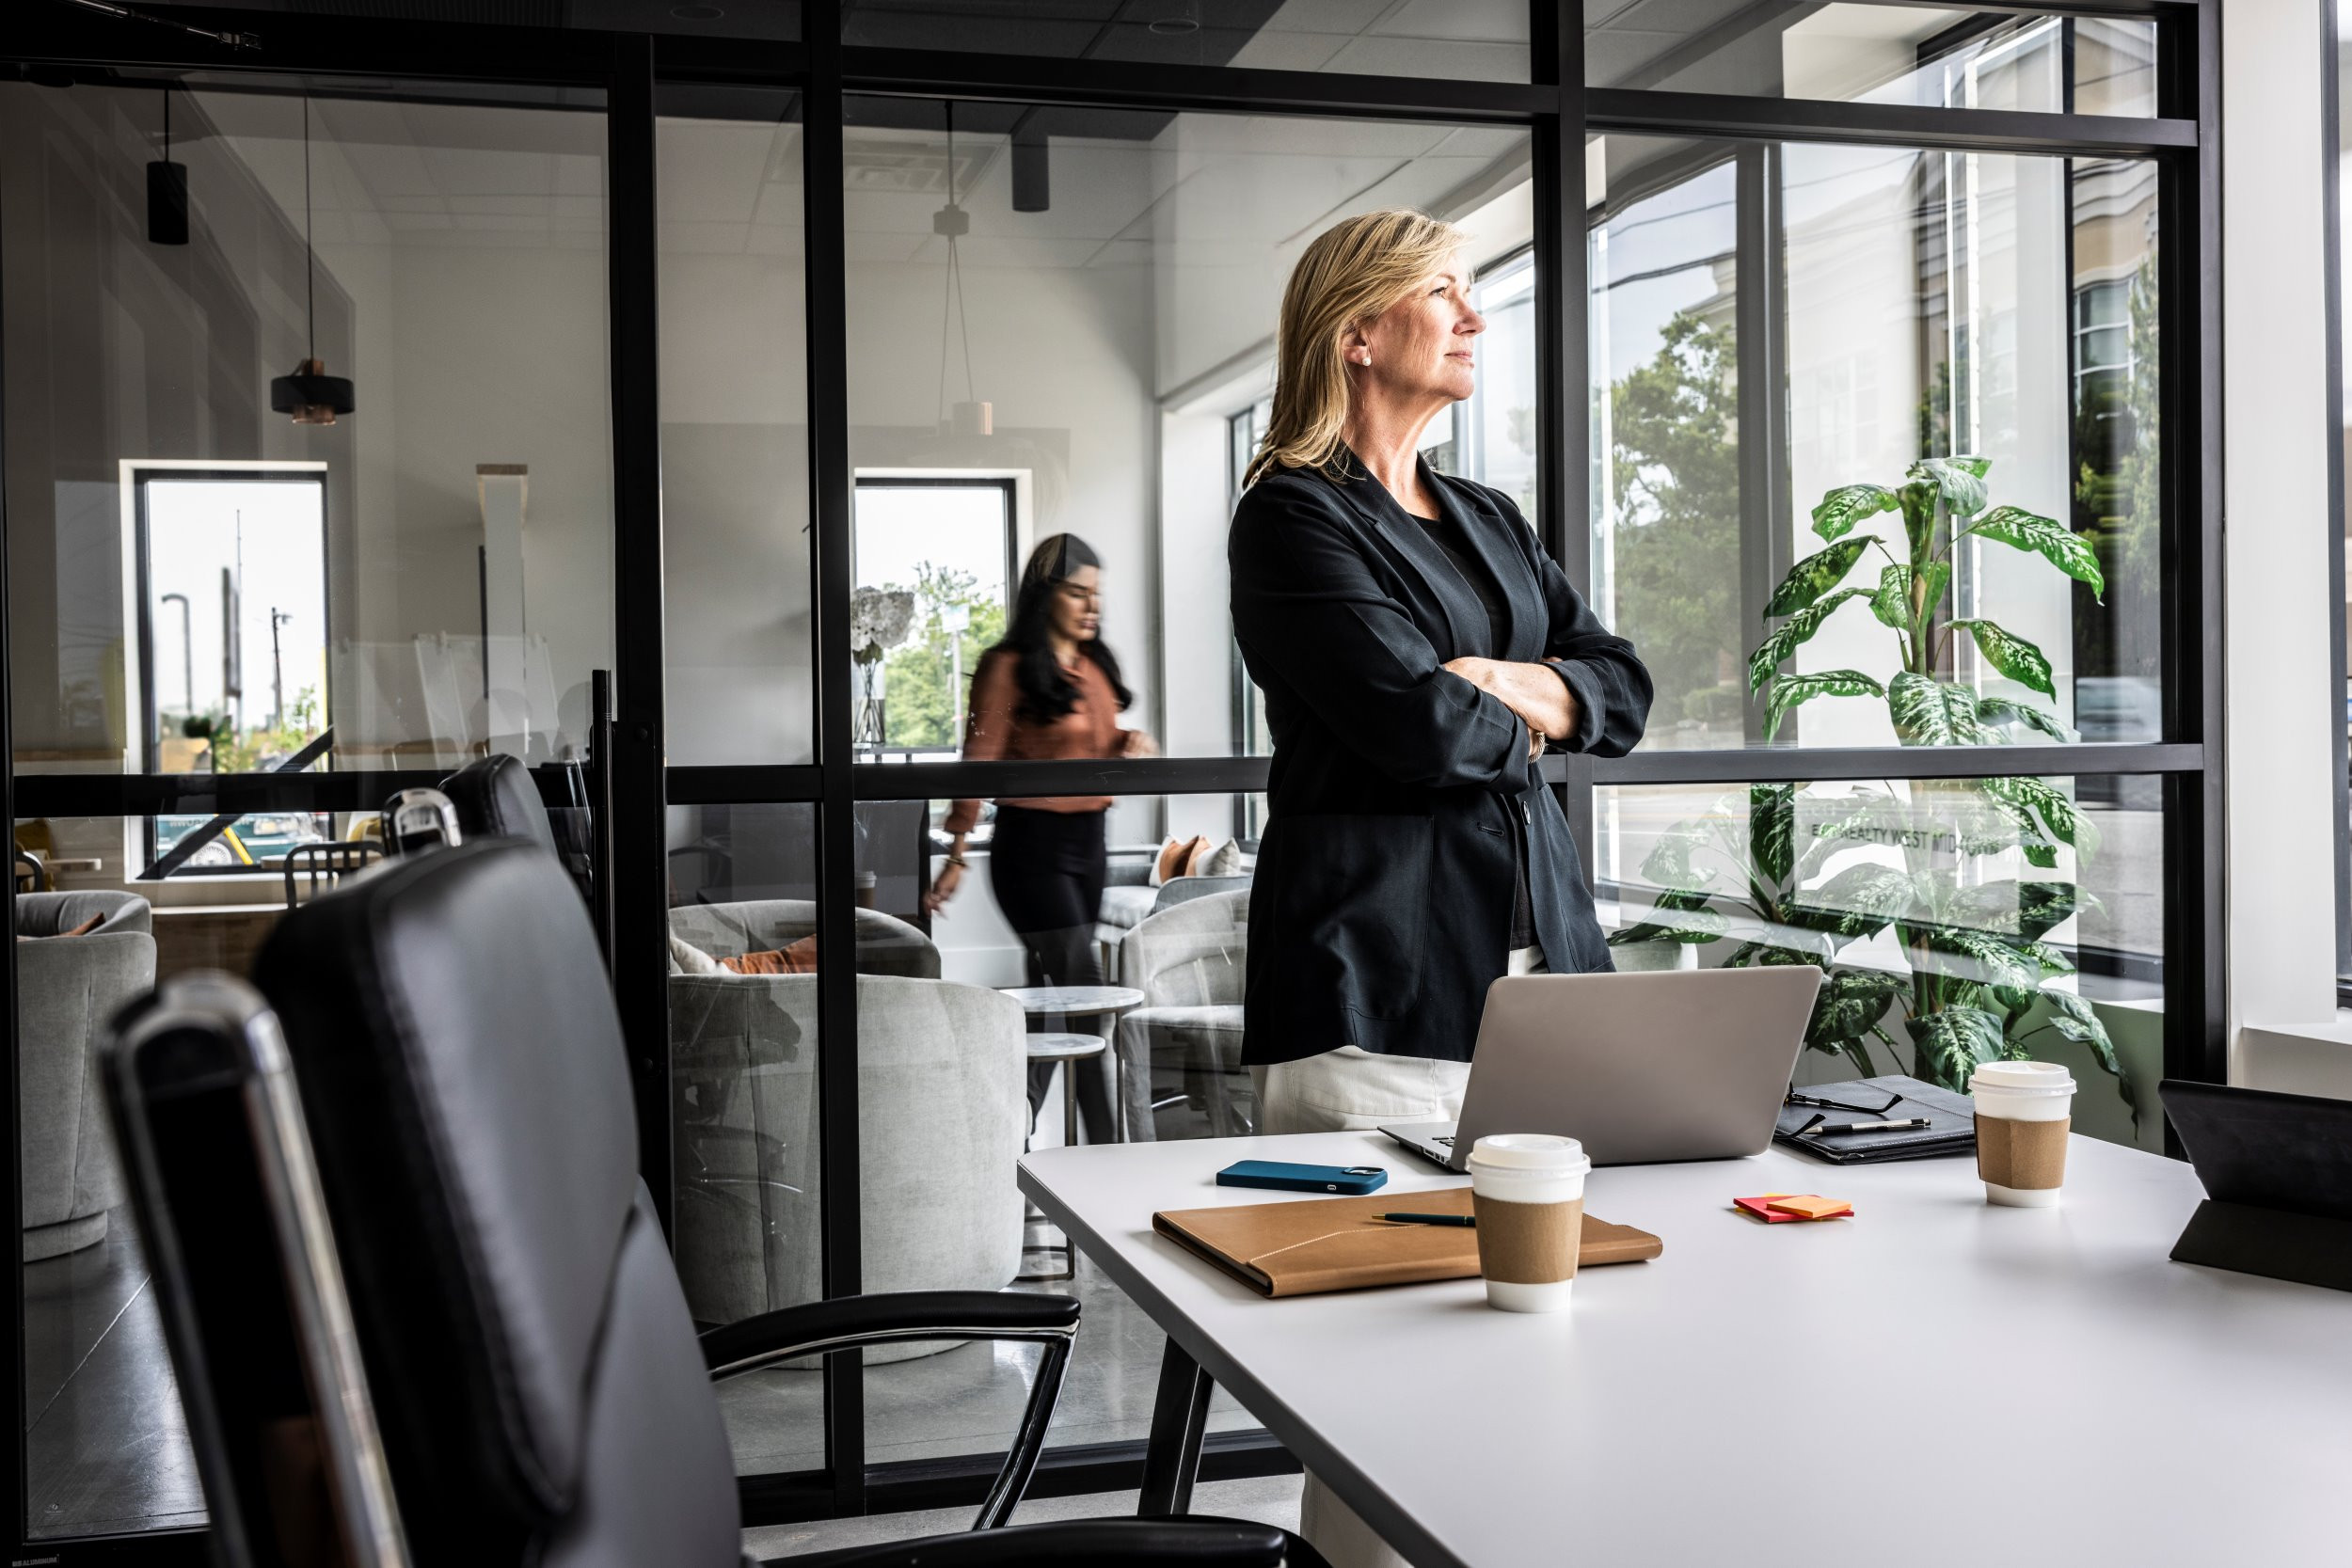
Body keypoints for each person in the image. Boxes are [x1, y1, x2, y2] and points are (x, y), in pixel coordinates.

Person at [1227, 210, 1652, 1567]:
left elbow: (1624, 690)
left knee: (1543, 1363)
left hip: (1544, 995)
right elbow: (1416, 730)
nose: (1473, 318)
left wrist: (1497, 684)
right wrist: (1521, 697)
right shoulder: (1289, 515)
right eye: (1443, 294)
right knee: (1383, 1392)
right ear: (1358, 333)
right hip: (1378, 998)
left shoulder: (1488, 517)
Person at [930, 533, 1153, 1141]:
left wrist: (1129, 744)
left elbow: (1092, 743)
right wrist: (955, 855)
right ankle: (1107, 1147)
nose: (1091, 606)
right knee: (1087, 987)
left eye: (1096, 594)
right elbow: (978, 761)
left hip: (1090, 843)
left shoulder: (1094, 666)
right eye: (1077, 593)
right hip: (1032, 847)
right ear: (1044, 595)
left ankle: (1009, 1129)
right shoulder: (1008, 667)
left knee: (1056, 998)